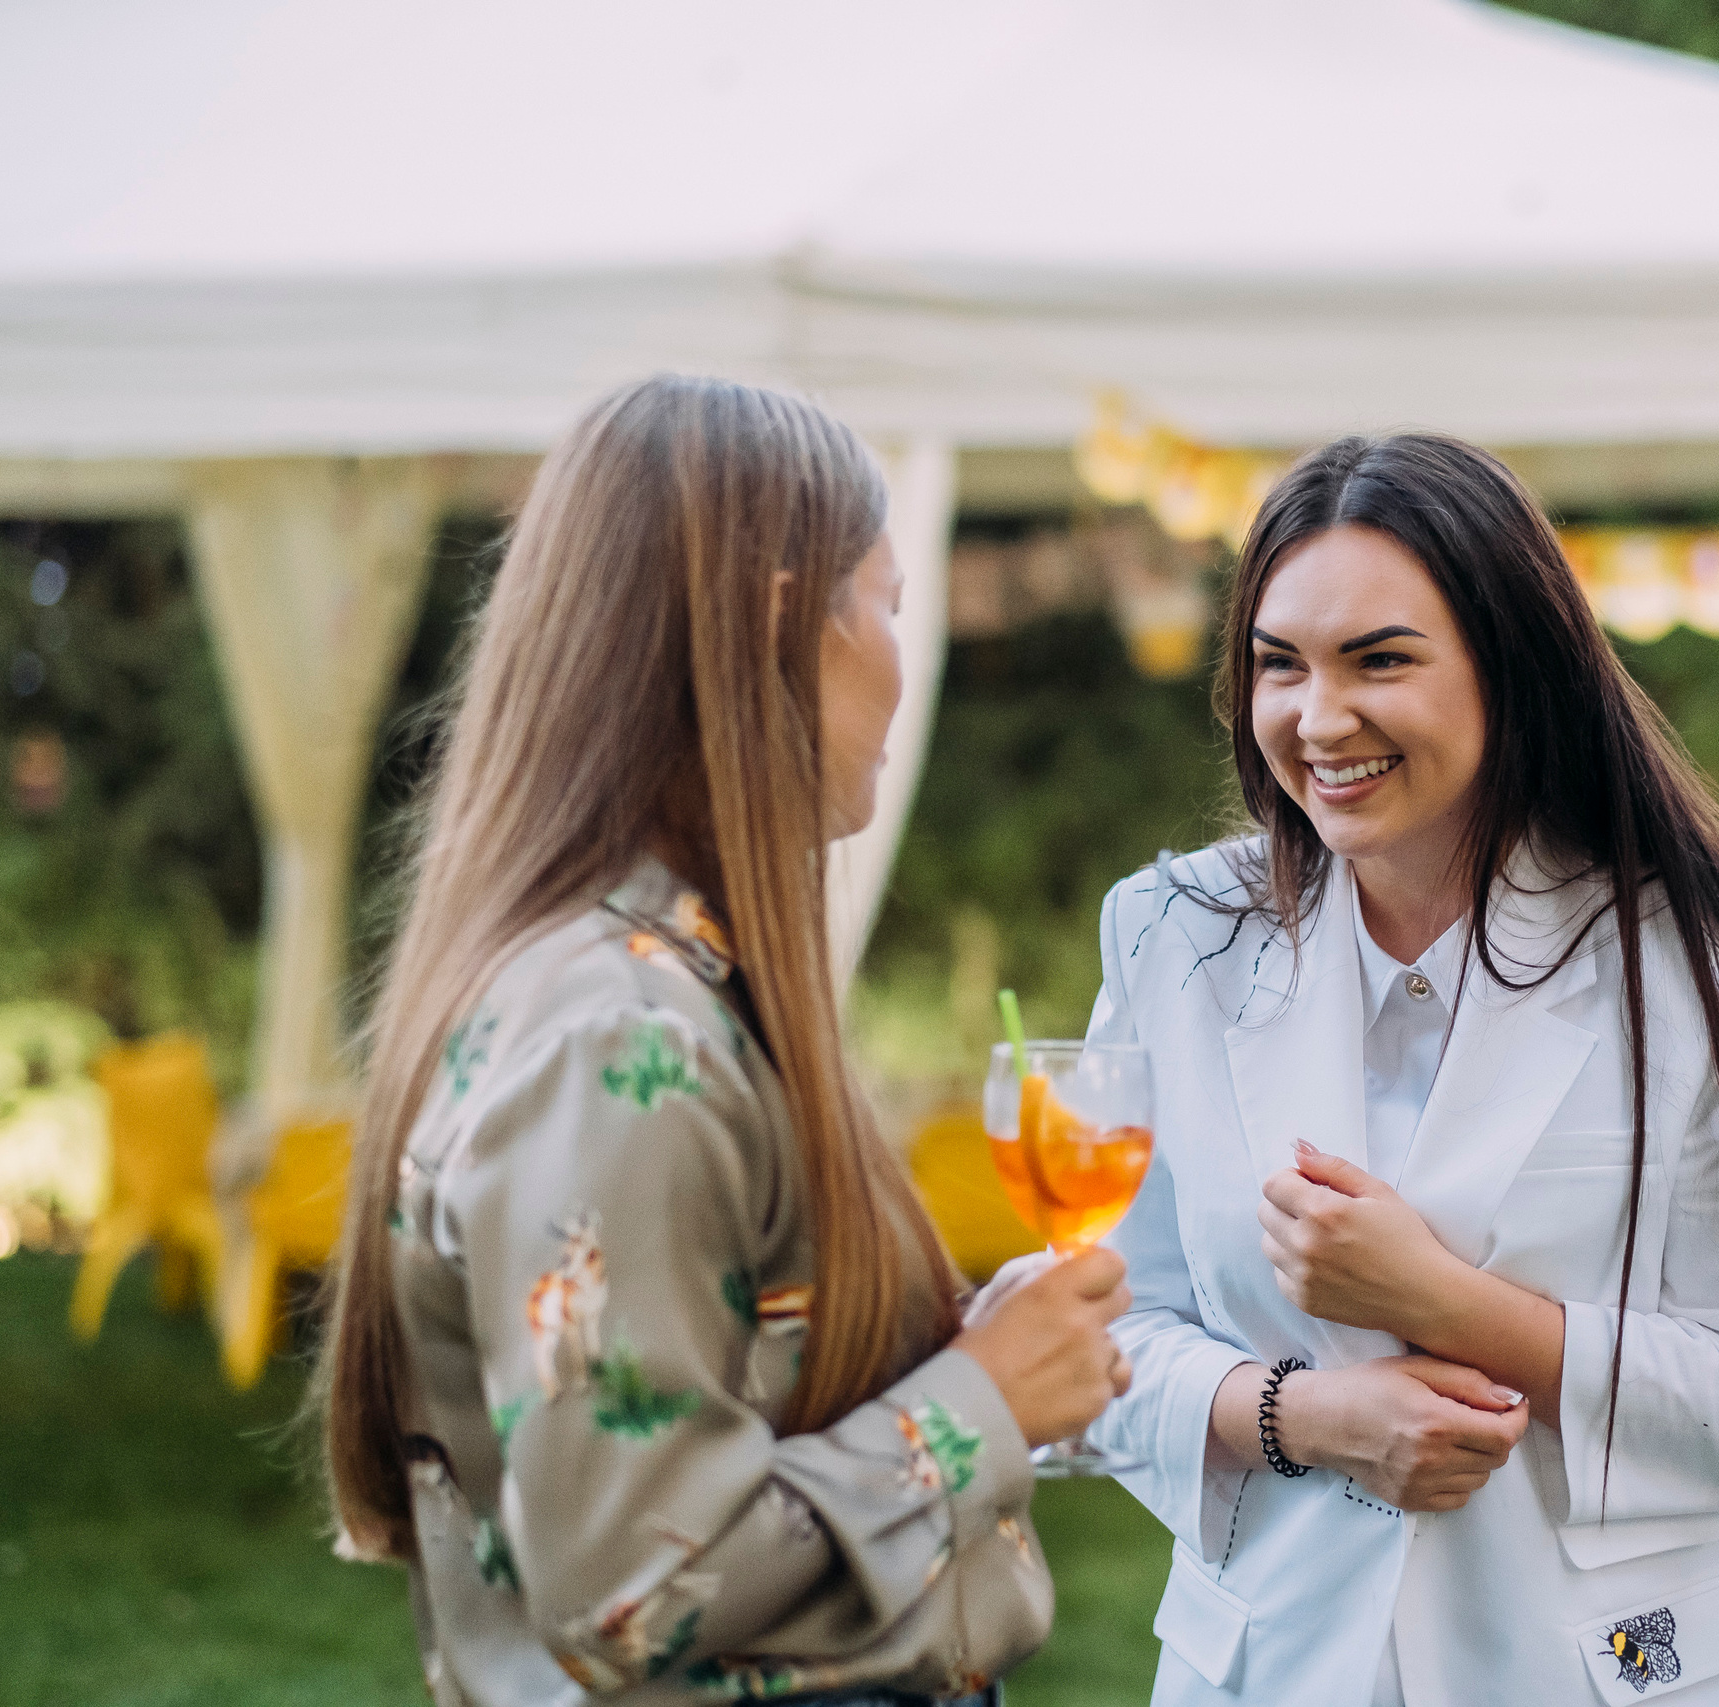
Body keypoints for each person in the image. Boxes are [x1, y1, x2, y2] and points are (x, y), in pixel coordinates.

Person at [315, 374, 1131, 1706]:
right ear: (773, 623)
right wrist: (980, 1398)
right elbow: (638, 1584)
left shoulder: (647, 983)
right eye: (887, 601)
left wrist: (922, 1357)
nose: (897, 655)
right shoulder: (622, 1038)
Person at [1086, 433, 1719, 1706]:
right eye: (1277, 663)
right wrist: (1302, 1416)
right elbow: (1097, 1333)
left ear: (1515, 669)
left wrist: (1449, 1303)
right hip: (1273, 1672)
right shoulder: (1174, 935)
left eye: (1379, 660)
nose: (1317, 716)